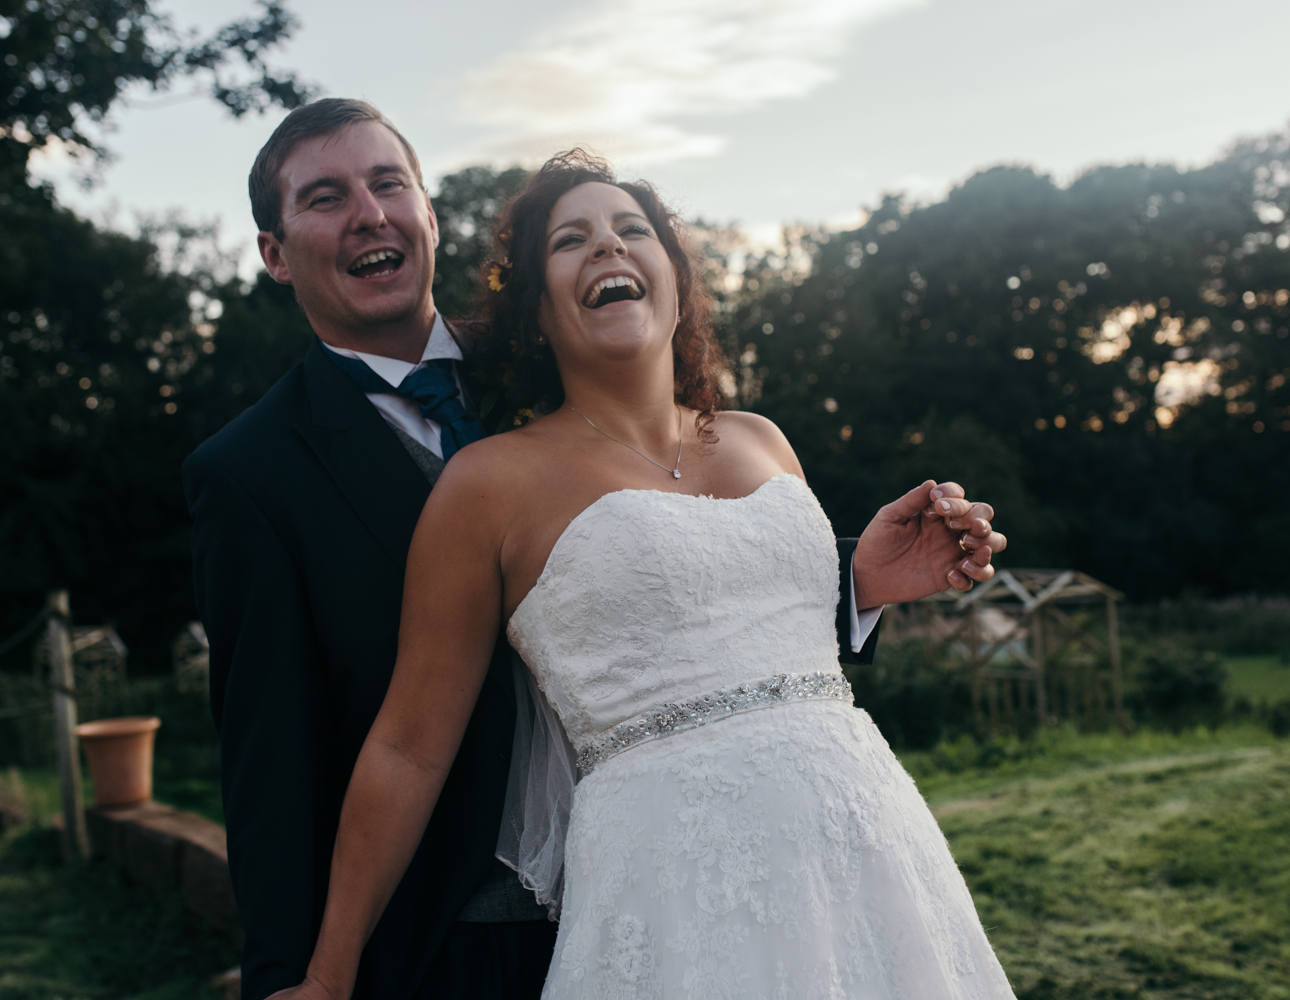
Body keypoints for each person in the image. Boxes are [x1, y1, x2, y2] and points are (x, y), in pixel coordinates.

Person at [183, 98, 998, 1000]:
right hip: (459, 926)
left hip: (824, 842)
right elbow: (276, 759)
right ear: (274, 249)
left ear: (426, 209)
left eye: (387, 184)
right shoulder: (251, 473)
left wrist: (854, 581)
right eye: (326, 198)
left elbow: (687, 563)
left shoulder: (562, 343)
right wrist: (295, 977)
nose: (368, 213)